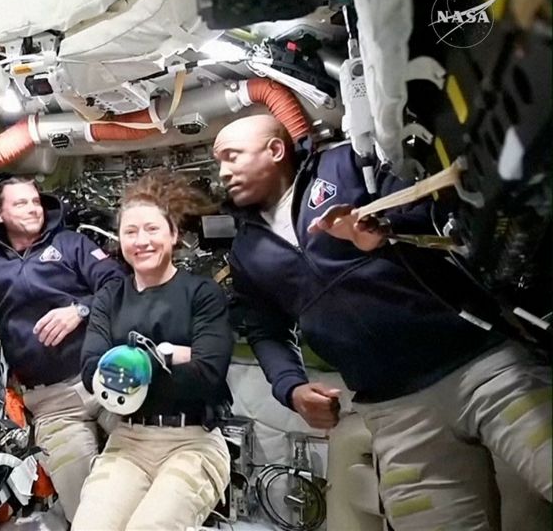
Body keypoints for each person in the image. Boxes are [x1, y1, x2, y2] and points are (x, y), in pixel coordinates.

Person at [215, 114, 552, 529]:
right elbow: (264, 328)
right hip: (396, 410)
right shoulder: (246, 250)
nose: (222, 172)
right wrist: (292, 387)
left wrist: (386, 230)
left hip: (484, 367)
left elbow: (445, 214)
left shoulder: (350, 164)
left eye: (231, 156)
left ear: (274, 150)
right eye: (219, 162)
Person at [0, 177, 125, 522]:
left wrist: (80, 310)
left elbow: (118, 284)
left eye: (35, 201)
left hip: (105, 374)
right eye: (20, 203)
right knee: (85, 512)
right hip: (52, 404)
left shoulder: (71, 244)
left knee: (154, 460)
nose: (33, 209)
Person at [74, 172, 234, 531]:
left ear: (173, 235)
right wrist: (170, 355)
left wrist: (127, 364)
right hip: (128, 440)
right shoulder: (110, 298)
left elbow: (208, 374)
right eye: (130, 231)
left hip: (192, 441)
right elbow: (91, 371)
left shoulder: (202, 294)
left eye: (152, 229)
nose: (141, 240)